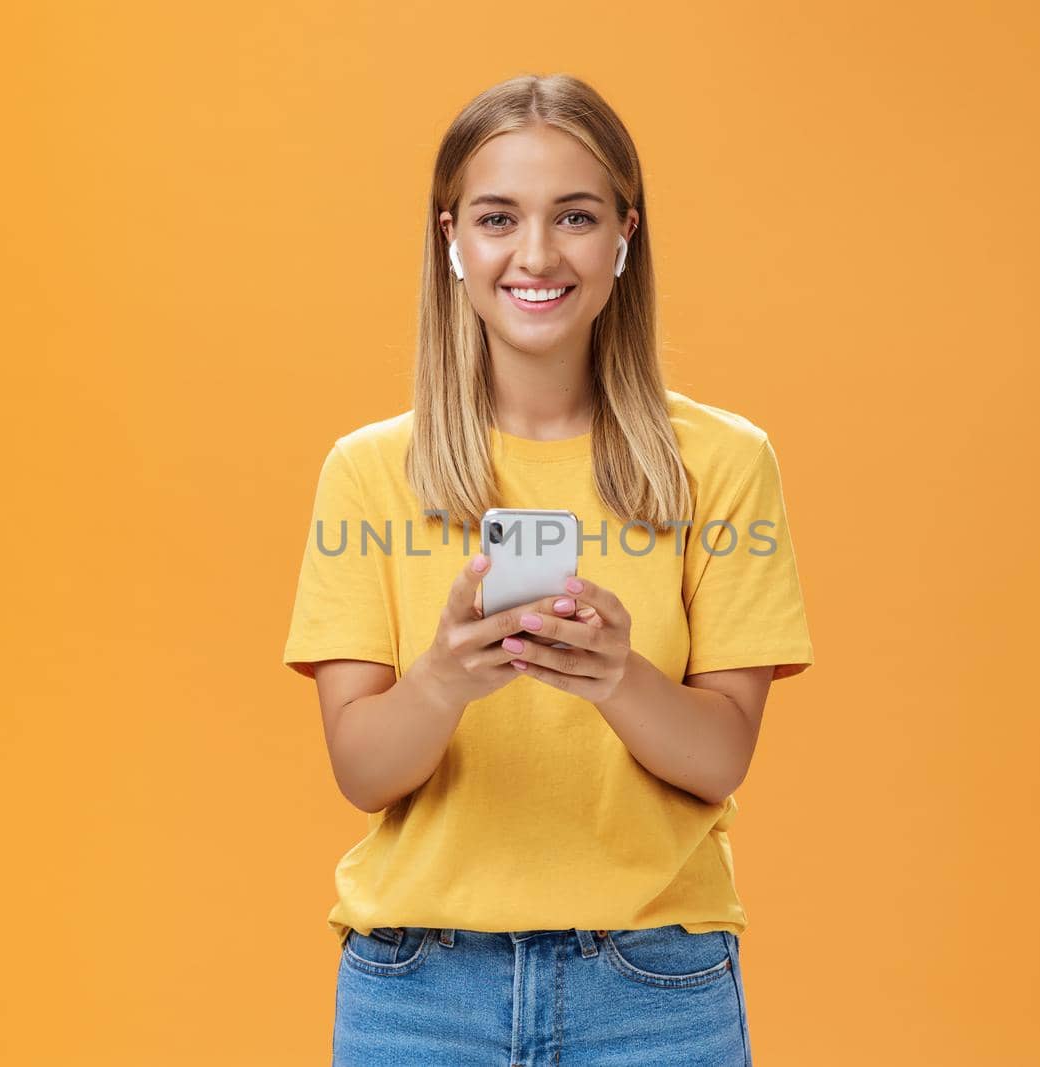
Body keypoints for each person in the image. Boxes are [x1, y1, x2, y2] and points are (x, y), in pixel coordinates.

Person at [283, 72, 814, 1067]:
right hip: (416, 991)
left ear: (624, 235)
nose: (535, 254)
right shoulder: (367, 472)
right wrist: (444, 675)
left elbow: (719, 759)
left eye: (574, 215)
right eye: (497, 217)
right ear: (451, 238)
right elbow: (362, 771)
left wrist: (615, 673)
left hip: (655, 987)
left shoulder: (724, 464)